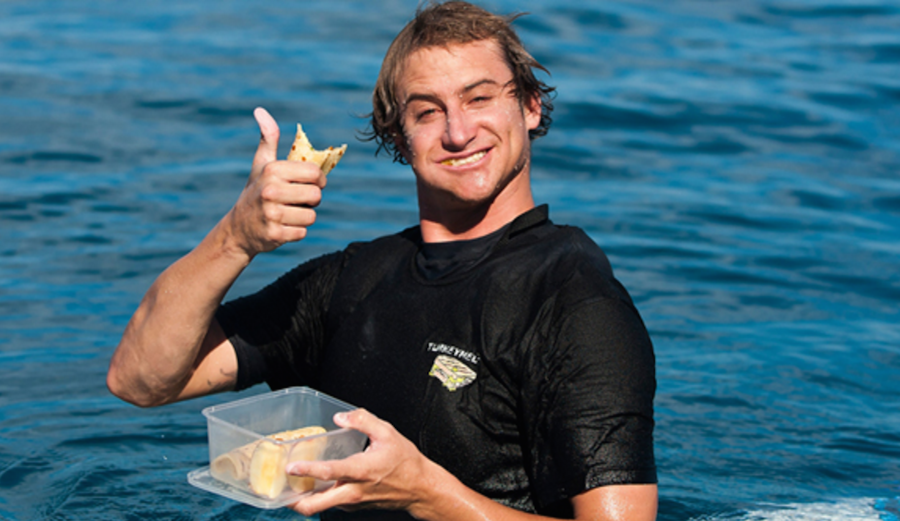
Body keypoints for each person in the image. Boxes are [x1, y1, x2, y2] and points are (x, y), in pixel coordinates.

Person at [107, 2, 658, 520]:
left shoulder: (575, 299)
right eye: (427, 111)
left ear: (530, 105)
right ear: (398, 135)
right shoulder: (351, 281)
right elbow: (140, 380)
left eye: (479, 98)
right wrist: (235, 238)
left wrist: (427, 494)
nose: (458, 131)